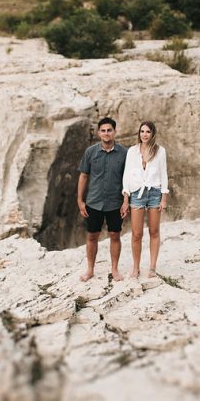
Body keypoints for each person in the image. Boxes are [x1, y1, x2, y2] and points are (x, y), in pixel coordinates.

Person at [77, 117, 128, 282]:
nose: (106, 133)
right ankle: (90, 269)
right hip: (94, 202)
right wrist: (80, 201)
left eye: (109, 130)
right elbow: (83, 176)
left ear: (114, 132)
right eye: (103, 130)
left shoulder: (124, 153)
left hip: (115, 202)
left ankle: (114, 269)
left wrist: (126, 201)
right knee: (92, 236)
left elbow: (128, 179)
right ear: (99, 133)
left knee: (115, 235)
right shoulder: (90, 152)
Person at [121, 121, 169, 278]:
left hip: (154, 193)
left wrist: (163, 198)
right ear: (139, 133)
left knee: (154, 231)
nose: (144, 134)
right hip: (136, 194)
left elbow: (164, 174)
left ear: (153, 133)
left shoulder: (160, 151)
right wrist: (126, 199)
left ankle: (152, 267)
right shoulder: (132, 151)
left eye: (148, 131)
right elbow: (126, 175)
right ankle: (136, 268)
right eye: (142, 131)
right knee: (136, 234)